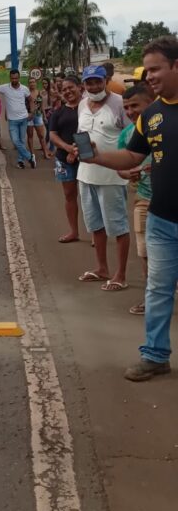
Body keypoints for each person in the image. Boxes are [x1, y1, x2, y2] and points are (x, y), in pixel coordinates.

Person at [83, 37, 178, 381]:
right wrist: (96, 156)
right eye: (146, 69)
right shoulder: (151, 116)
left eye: (156, 69)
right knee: (157, 289)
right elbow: (132, 156)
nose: (149, 76)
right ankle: (154, 355)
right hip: (162, 219)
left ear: (176, 65)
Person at [72, 64, 130, 291]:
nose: (94, 86)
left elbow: (130, 136)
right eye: (89, 82)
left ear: (105, 80)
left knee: (118, 227)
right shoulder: (81, 105)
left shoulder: (119, 103)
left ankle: (120, 274)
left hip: (112, 177)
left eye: (98, 81)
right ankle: (102, 268)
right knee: (95, 226)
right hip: (85, 175)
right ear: (84, 85)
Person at [117, 84, 154, 315]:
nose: (130, 112)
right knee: (144, 251)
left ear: (151, 103)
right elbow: (122, 165)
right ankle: (153, 296)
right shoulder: (127, 134)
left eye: (135, 106)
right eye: (126, 108)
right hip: (144, 198)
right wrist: (127, 172)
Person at [49, 76, 82, 243]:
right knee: (69, 195)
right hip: (63, 160)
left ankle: (97, 234)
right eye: (64, 90)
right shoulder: (58, 113)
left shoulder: (88, 108)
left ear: (79, 87)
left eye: (71, 88)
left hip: (87, 159)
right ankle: (74, 231)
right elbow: (53, 135)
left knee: (90, 196)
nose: (68, 92)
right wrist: (67, 148)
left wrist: (75, 151)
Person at [27, 79, 52, 160]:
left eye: (33, 82)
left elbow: (41, 106)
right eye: (30, 82)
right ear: (28, 83)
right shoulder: (26, 93)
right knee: (30, 135)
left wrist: (44, 116)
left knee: (41, 135)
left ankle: (45, 152)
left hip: (38, 115)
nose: (32, 84)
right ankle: (32, 154)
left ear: (36, 83)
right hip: (29, 116)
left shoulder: (39, 93)